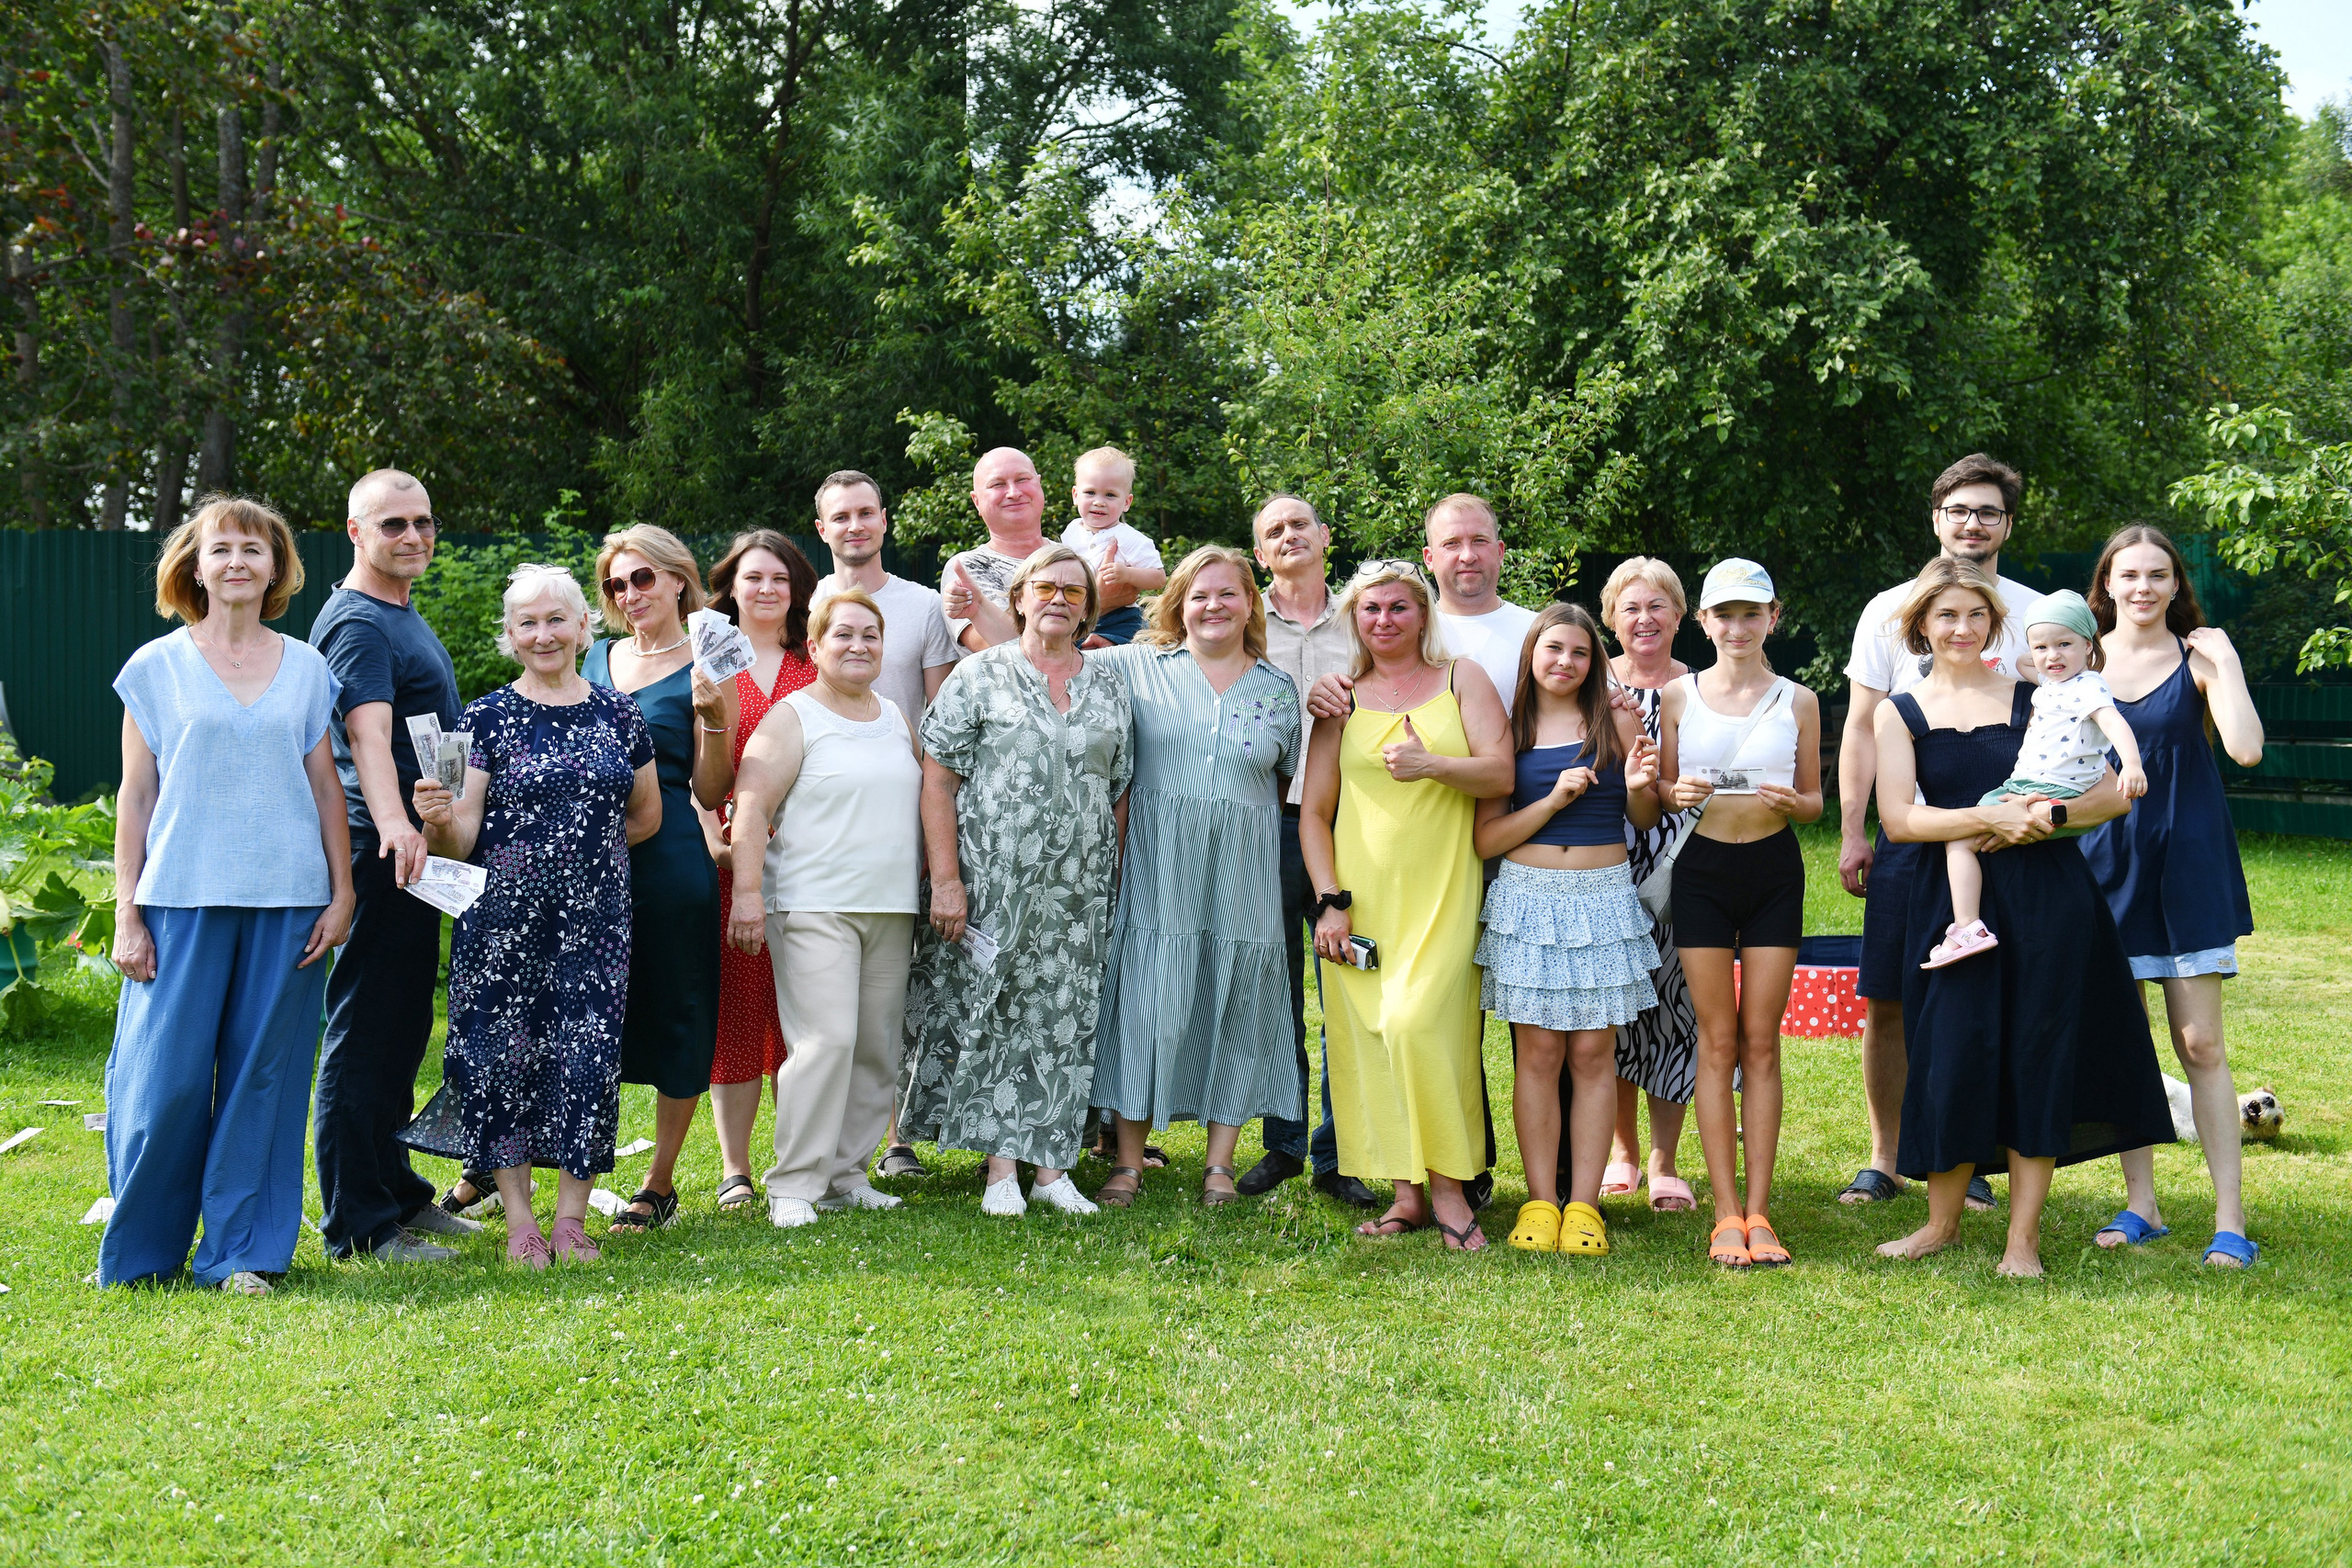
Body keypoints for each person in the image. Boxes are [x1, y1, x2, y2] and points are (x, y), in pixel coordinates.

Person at [1871, 558, 2172, 1277]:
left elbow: (2112, 795)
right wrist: (1987, 815)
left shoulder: (2042, 695)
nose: (1962, 628)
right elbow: (1899, 818)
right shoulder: (1898, 711)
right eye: (1946, 615)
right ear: (1921, 627)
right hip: (1954, 906)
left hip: (2047, 895)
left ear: (1995, 623)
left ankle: (2022, 1239)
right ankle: (1940, 1223)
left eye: (1976, 614)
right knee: (1948, 1054)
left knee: (2037, 1053)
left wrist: (2050, 814)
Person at [102, 496, 353, 1292]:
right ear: (195, 565)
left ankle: (242, 1252)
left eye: (255, 548)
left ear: (277, 567)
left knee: (263, 1082)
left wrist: (342, 892)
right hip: (179, 900)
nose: (238, 560)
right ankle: (143, 1253)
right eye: (223, 549)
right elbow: (135, 798)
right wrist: (127, 911)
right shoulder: (155, 667)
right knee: (162, 1082)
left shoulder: (310, 668)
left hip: (289, 904)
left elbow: (325, 791)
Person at [402, 566, 661, 1266]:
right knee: (501, 1060)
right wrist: (433, 821)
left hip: (596, 924)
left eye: (556, 619)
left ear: (584, 626)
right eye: (527, 623)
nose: (543, 634)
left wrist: (578, 860)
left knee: (587, 1058)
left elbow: (645, 815)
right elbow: (459, 837)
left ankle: (572, 1220)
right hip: (502, 924)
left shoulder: (620, 713)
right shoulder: (482, 719)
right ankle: (520, 1221)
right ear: (511, 637)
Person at [1305, 493, 1535, 1210]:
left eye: (1399, 608)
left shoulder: (1460, 677)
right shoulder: (1340, 699)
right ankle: (1405, 1196)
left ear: (1422, 613)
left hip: (1443, 886)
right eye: (1371, 610)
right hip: (1362, 894)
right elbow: (1314, 811)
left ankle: (1452, 1194)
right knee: (1372, 1036)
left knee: (1422, 1029)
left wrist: (1432, 763)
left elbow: (1501, 773)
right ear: (1354, 620)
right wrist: (1330, 903)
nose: (1384, 620)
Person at [899, 545, 1134, 1216]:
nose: (1058, 598)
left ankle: (1053, 1169)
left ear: (1088, 606)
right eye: (1046, 587)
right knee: (998, 1005)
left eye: (1072, 590)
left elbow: (1117, 784)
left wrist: (1108, 872)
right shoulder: (979, 675)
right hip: (992, 878)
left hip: (1079, 886)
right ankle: (1000, 1168)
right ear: (1021, 599)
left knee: (1064, 1016)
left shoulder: (1110, 682)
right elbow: (937, 780)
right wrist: (945, 878)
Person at [1836, 453, 2041, 1210]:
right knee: (1888, 999)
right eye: (1959, 510)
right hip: (1908, 836)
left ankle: (1972, 1155)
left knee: (1989, 998)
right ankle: (1885, 1158)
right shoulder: (1890, 610)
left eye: (1988, 511)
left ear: (2007, 525)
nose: (1972, 524)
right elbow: (1861, 725)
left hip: (2003, 844)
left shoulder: (2033, 610)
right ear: (1936, 519)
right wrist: (1854, 830)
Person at [1089, 547, 1303, 1205]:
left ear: (1250, 604)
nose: (1214, 605)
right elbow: (1043, 652)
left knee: (1237, 1004)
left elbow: (1288, 781)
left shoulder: (1277, 688)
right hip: (1157, 866)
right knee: (1147, 1005)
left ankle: (1219, 1164)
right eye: (1200, 594)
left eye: (1228, 594)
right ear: (1178, 602)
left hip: (1243, 872)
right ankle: (1126, 1160)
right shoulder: (1132, 666)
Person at [2081, 525, 2267, 1268]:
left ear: (2175, 584)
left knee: (2201, 1043)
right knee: (2128, 1043)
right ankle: (2143, 1204)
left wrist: (2227, 662)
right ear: (2108, 584)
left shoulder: (2199, 656)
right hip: (2104, 865)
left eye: (2159, 574)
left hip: (2186, 864)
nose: (2144, 587)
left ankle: (2231, 1218)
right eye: (2130, 574)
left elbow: (2247, 746)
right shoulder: (2079, 658)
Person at [309, 468, 478, 1262]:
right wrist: (393, 827)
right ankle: (358, 1223)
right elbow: (365, 735)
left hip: (415, 853)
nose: (414, 536)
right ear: (355, 532)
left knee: (403, 1026)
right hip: (384, 856)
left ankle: (399, 1193)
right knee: (366, 1029)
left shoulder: (398, 612)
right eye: (393, 525)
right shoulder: (358, 623)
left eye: (423, 522)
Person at [726, 590, 922, 1227]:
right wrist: (748, 894)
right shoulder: (792, 716)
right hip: (813, 903)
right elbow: (750, 807)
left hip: (889, 905)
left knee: (873, 1045)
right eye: (843, 634)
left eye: (870, 634)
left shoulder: (893, 715)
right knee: (825, 1040)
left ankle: (845, 1172)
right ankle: (795, 1182)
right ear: (814, 647)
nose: (858, 645)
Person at [1473, 604, 1661, 1258]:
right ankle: (1539, 1201)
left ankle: (1584, 1204)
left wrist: (1641, 783)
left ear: (1593, 661)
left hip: (1603, 897)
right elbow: (1487, 836)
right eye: (1554, 649)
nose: (1566, 662)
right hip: (1528, 898)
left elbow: (1642, 811)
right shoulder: (1509, 727)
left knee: (1591, 1055)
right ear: (1532, 654)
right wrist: (1551, 800)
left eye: (1580, 653)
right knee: (1539, 1055)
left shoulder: (1617, 715)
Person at [1657, 558, 1823, 1268]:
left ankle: (1761, 1210)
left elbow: (1815, 799)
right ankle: (1725, 1212)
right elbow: (1659, 792)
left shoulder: (1800, 700)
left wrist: (1797, 805)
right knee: (1715, 1041)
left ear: (1773, 618)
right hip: (1701, 872)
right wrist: (1673, 792)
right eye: (1723, 614)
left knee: (1762, 1041)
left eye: (1750, 613)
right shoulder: (1675, 695)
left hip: (1774, 872)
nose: (1737, 626)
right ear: (1703, 622)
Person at [808, 468, 959, 1178]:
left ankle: (893, 1137)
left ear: (885, 520)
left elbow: (939, 723)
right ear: (822, 528)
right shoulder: (802, 599)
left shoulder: (923, 605)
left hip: (903, 808)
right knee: (827, 992)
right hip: (823, 814)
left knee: (894, 989)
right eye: (841, 516)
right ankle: (823, 1142)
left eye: (866, 513)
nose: (855, 526)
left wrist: (939, 831)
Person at [584, 525, 733, 1232]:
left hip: (671, 855)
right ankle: (564, 1161)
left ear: (679, 579)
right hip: (588, 857)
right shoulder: (594, 656)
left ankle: (660, 1181)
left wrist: (712, 722)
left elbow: (712, 790)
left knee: (677, 1008)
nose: (629, 593)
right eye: (616, 584)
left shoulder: (709, 662)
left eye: (643, 578)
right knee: (583, 1012)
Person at [1236, 494, 1375, 1207]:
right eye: (1273, 532)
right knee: (1275, 990)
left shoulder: (1364, 616)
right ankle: (1284, 1142)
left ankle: (1338, 1149)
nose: (1289, 537)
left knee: (1344, 988)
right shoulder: (1242, 616)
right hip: (1261, 823)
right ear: (1260, 553)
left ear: (1325, 536)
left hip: (1344, 823)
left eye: (1299, 525)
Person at [1925, 590, 2147, 968]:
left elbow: (2116, 724)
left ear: (2090, 647)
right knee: (1979, 839)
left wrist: (2132, 765)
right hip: (2028, 786)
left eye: (2065, 644)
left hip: (2049, 789)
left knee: (1959, 836)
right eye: (2042, 646)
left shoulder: (2088, 687)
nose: (2052, 656)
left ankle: (1966, 927)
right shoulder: (2052, 684)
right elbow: (2026, 663)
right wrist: (2046, 651)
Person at [700, 529, 820, 1212]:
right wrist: (712, 719)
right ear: (732, 589)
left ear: (796, 588)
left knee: (806, 1007)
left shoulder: (819, 658)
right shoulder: (713, 664)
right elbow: (703, 776)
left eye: (779, 578)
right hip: (732, 859)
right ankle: (735, 1167)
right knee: (740, 1012)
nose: (767, 589)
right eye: (753, 578)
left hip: (814, 862)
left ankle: (797, 1156)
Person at [1597, 558, 1701, 1213]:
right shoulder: (1588, 679)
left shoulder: (1703, 686)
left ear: (1680, 615)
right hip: (1605, 857)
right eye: (1630, 608)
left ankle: (1663, 1160)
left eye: (1657, 606)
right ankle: (1620, 1152)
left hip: (1688, 859)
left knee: (1676, 1005)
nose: (1644, 619)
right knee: (1611, 1010)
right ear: (1609, 617)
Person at [939, 447, 1049, 653]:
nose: (1014, 493)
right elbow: (995, 650)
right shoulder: (967, 569)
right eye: (997, 484)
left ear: (1039, 484)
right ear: (976, 501)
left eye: (1022, 479)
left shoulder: (1074, 556)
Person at [1060, 446, 1167, 647]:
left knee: (1132, 642)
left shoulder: (1129, 538)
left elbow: (1159, 577)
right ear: (1075, 495)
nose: (1099, 502)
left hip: (1119, 617)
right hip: (1076, 616)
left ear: (1126, 502)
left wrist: (1127, 574)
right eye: (1090, 492)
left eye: (1110, 495)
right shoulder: (1072, 529)